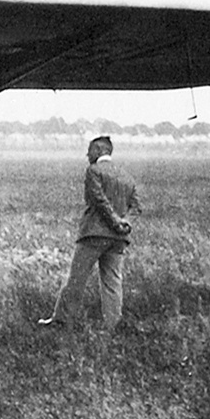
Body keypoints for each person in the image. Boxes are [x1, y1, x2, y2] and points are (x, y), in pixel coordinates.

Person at [39, 135, 141, 331]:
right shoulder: (127, 176)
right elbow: (136, 207)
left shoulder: (93, 171)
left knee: (76, 279)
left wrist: (114, 221)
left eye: (90, 150)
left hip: (94, 235)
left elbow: (98, 200)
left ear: (99, 150)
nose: (87, 154)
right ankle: (113, 325)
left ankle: (61, 321)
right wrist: (124, 223)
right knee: (112, 282)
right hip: (119, 239)